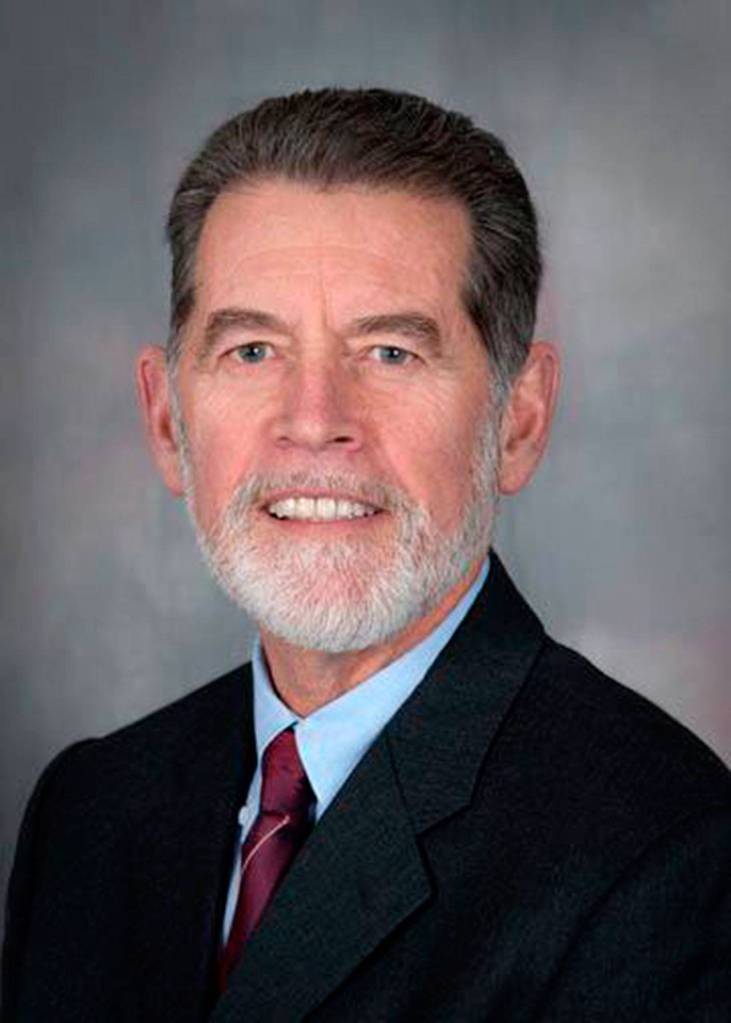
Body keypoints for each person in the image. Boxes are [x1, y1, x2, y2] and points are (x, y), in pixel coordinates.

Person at [3, 88, 729, 1023]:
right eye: (252, 350)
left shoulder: (664, 854)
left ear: (517, 419)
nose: (314, 422)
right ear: (167, 419)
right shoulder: (89, 813)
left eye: (389, 352)